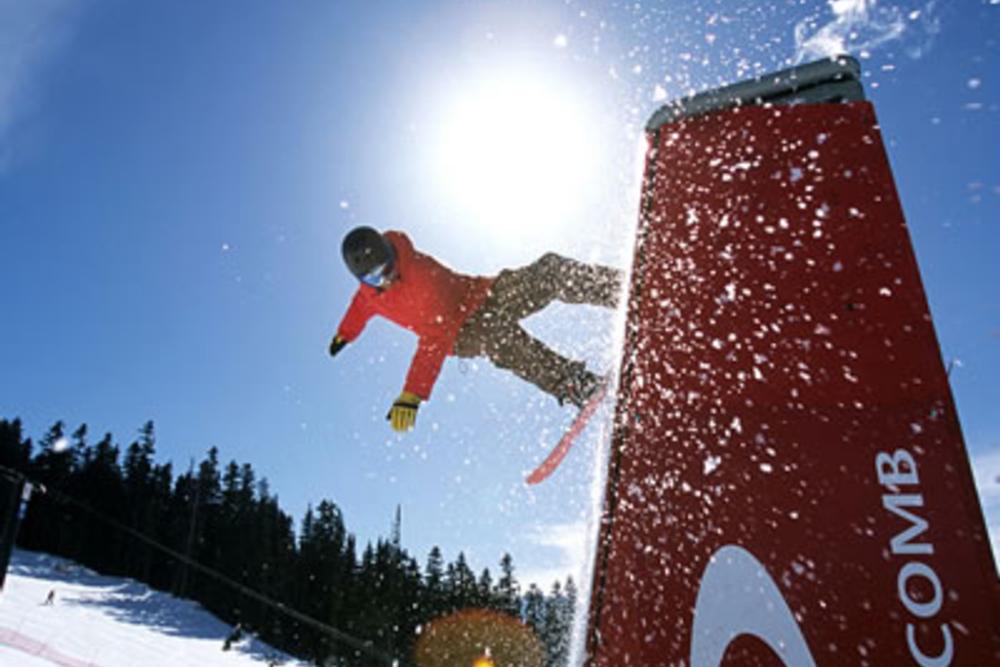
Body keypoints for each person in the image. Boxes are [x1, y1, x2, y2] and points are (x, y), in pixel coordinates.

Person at [329, 227, 622, 432]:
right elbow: (358, 310)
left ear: (393, 255)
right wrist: (345, 335)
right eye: (374, 278)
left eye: (388, 270)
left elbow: (434, 339)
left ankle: (621, 287)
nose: (386, 280)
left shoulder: (420, 277)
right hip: (461, 334)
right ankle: (574, 384)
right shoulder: (369, 296)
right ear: (363, 280)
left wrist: (412, 393)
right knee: (496, 336)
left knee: (550, 271)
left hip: (477, 298)